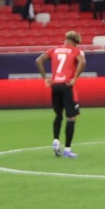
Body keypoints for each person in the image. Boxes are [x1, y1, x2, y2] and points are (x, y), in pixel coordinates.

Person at [36, 30, 87, 158]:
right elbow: (82, 62)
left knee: (58, 115)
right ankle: (67, 149)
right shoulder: (75, 51)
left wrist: (45, 78)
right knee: (71, 117)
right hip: (67, 85)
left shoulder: (54, 50)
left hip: (55, 85)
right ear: (75, 42)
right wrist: (75, 78)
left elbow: (38, 60)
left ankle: (56, 141)